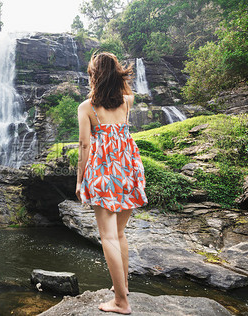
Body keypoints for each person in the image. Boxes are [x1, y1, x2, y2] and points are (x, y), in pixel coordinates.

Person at [75, 52, 148, 314]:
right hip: (129, 168)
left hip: (104, 172)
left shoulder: (87, 107)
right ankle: (123, 287)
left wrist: (80, 179)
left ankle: (121, 302)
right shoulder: (128, 101)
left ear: (94, 76)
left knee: (107, 236)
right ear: (117, 74)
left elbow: (85, 145)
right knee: (119, 233)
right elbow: (125, 90)